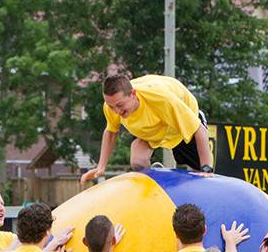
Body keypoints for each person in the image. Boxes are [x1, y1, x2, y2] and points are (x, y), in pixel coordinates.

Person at [80, 73, 213, 183]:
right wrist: (101, 166)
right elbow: (110, 131)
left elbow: (199, 130)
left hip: (177, 125)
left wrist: (206, 169)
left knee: (201, 175)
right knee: (137, 162)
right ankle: (155, 175)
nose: (116, 111)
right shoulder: (112, 106)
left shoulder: (161, 99)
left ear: (133, 94)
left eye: (120, 105)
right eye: (111, 106)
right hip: (150, 126)